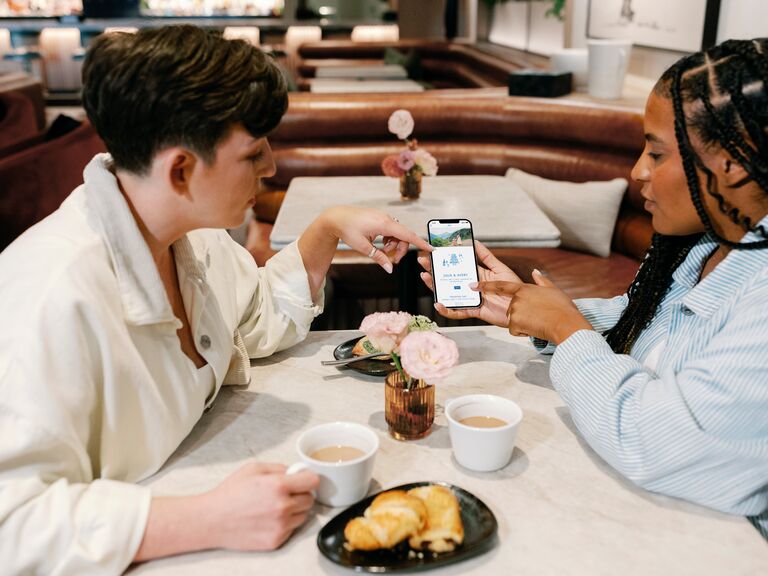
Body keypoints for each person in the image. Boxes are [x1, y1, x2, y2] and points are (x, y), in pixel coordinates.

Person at [0, 25, 432, 574]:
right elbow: (10, 522)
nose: (272, 166)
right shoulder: (44, 297)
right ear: (181, 169)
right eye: (253, 154)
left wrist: (325, 230)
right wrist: (205, 518)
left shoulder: (190, 232)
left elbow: (255, 318)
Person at [421, 38, 768, 538]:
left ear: (733, 161)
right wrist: (532, 309)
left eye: (655, 153)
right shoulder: (712, 247)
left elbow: (656, 441)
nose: (637, 172)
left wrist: (566, 328)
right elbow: (646, 324)